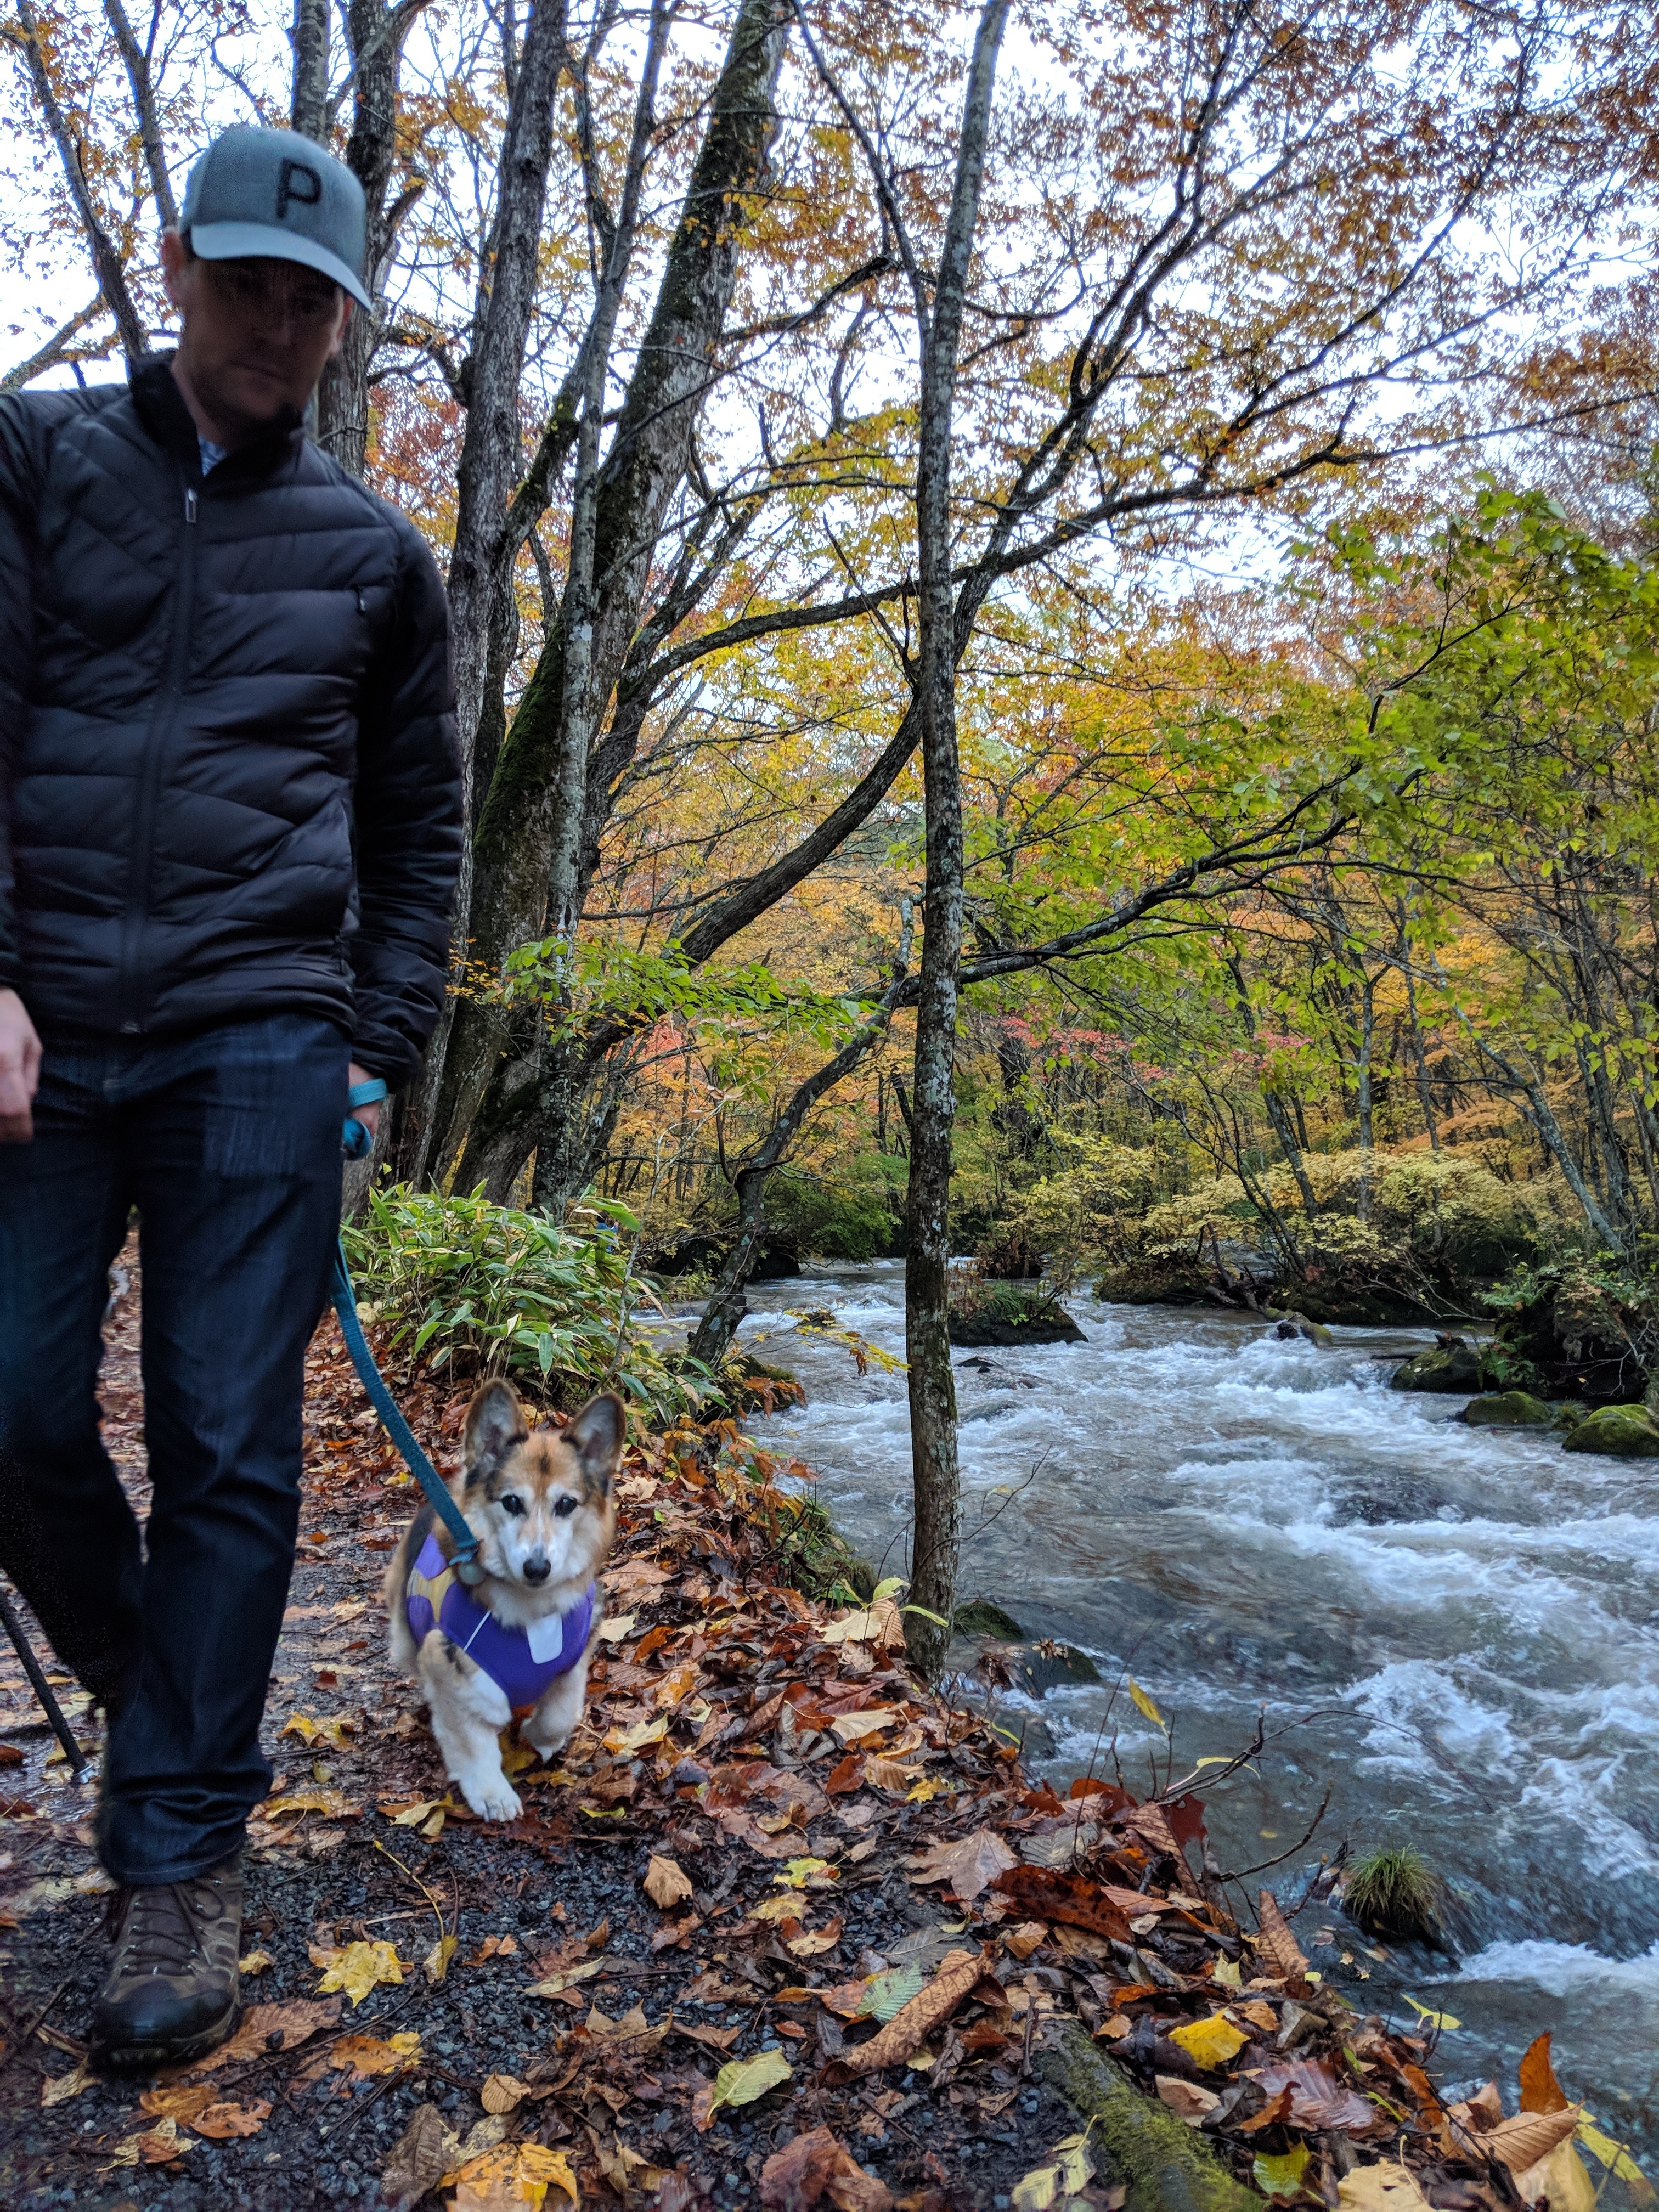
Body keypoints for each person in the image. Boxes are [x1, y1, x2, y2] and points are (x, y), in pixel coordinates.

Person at [0, 125, 461, 2068]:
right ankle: (161, 1691)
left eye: (312, 299)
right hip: (34, 1032)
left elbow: (420, 829)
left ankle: (174, 1857)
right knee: (10, 1398)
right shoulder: (34, 464)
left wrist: (375, 1044)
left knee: (226, 1445)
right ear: (177, 271)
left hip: (263, 1040)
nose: (276, 322)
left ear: (344, 327)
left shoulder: (375, 561)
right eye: (247, 280)